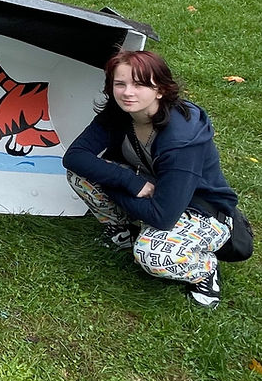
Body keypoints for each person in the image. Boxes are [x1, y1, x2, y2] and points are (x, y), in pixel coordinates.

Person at [63, 49, 237, 308]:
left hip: (202, 210)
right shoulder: (120, 112)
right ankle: (124, 232)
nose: (127, 92)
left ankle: (204, 269)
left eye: (139, 84)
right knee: (81, 174)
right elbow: (74, 157)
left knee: (152, 255)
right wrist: (130, 181)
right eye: (119, 84)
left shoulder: (182, 138)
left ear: (160, 90)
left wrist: (116, 185)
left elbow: (162, 216)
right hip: (151, 189)